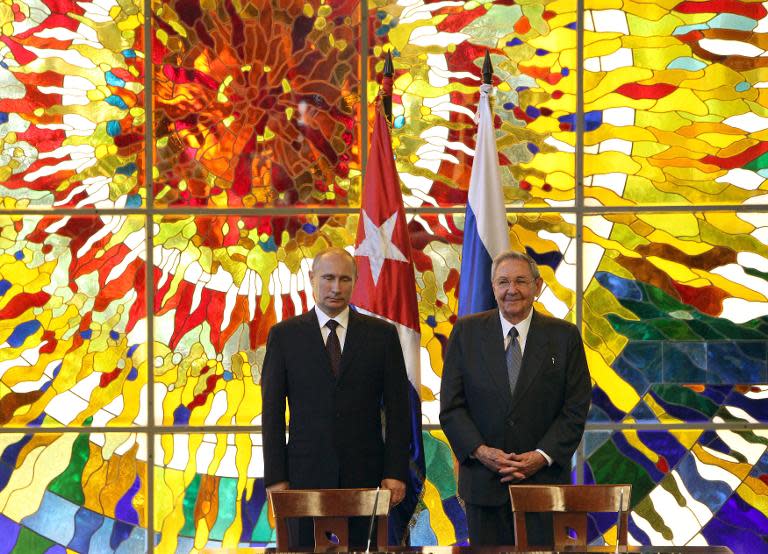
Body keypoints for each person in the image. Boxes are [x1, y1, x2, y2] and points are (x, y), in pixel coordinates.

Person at [440, 250, 592, 546]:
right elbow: (452, 407)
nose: (512, 290)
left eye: (521, 281)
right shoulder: (466, 332)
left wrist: (540, 456)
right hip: (483, 485)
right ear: (493, 288)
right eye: (503, 282)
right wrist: (482, 452)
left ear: (536, 286)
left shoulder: (564, 336)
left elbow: (575, 409)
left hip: (543, 484)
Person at [261, 247, 410, 548]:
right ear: (312, 278)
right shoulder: (284, 336)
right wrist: (276, 478)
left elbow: (399, 409)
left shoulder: (381, 335)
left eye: (345, 279)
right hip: (303, 477)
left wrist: (395, 472)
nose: (336, 288)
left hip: (366, 475)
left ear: (356, 282)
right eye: (328, 278)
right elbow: (272, 413)